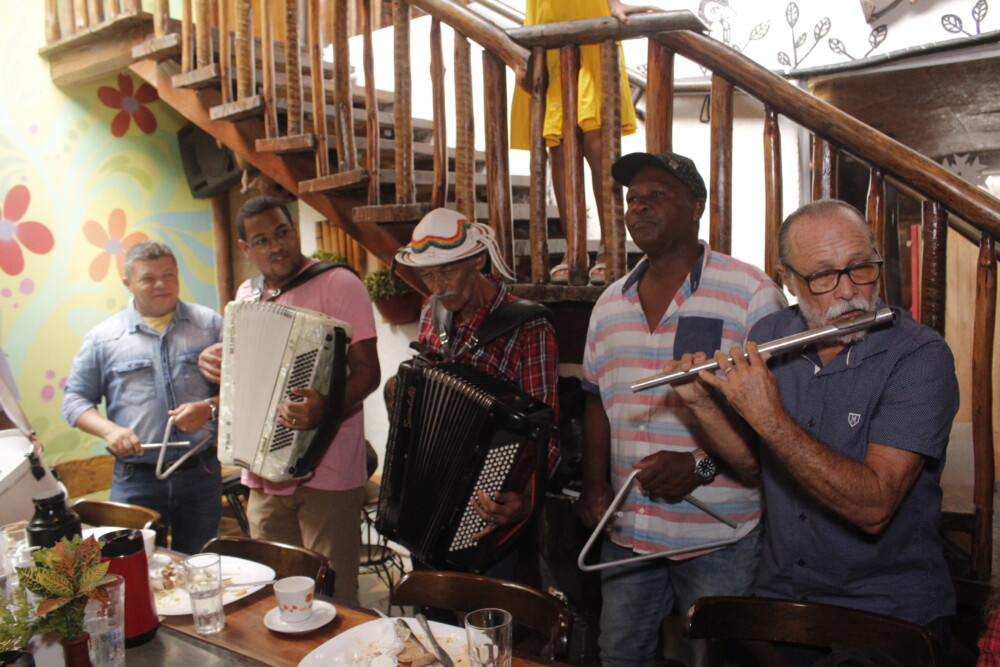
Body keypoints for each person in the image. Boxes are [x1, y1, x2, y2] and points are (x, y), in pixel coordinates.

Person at [670, 199, 958, 655]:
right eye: (823, 276)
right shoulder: (770, 335)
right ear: (786, 279)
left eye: (860, 267)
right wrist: (700, 405)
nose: (848, 291)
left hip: (885, 616)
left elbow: (875, 507)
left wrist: (769, 417)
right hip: (781, 604)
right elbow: (753, 466)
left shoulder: (919, 356)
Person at [577, 151, 786, 666]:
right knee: (619, 656)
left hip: (720, 534)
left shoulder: (752, 294)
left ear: (696, 206)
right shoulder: (609, 305)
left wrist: (700, 465)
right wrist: (595, 482)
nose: (639, 207)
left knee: (716, 660)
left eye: (657, 195)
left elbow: (776, 418)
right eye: (632, 198)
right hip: (627, 530)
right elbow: (596, 399)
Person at [197, 196, 380, 605]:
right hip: (263, 474)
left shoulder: (339, 283)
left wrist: (326, 409)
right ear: (246, 248)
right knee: (274, 590)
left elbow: (368, 371)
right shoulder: (247, 295)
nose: (276, 246)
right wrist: (213, 360)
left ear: (294, 230)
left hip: (329, 471)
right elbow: (246, 373)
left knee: (334, 596)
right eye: (261, 240)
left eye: (282, 232)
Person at [392, 207, 560, 575]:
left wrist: (524, 498)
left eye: (448, 271)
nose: (439, 288)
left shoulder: (528, 325)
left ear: (478, 260)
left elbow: (547, 432)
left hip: (490, 503)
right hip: (432, 491)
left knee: (488, 606)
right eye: (427, 275)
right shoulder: (431, 311)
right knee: (433, 604)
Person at [62, 241, 223, 554]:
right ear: (128, 283)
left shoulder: (209, 325)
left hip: (200, 472)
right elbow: (74, 401)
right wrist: (111, 431)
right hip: (136, 477)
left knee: (200, 564)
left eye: (169, 275)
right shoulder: (103, 338)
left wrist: (209, 408)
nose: (161, 284)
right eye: (148, 278)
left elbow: (242, 387)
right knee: (133, 565)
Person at [510, 0, 658, 286]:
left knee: (597, 143)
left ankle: (609, 246)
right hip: (546, 20)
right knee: (560, 146)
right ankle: (574, 250)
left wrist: (613, 3)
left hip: (589, 15)